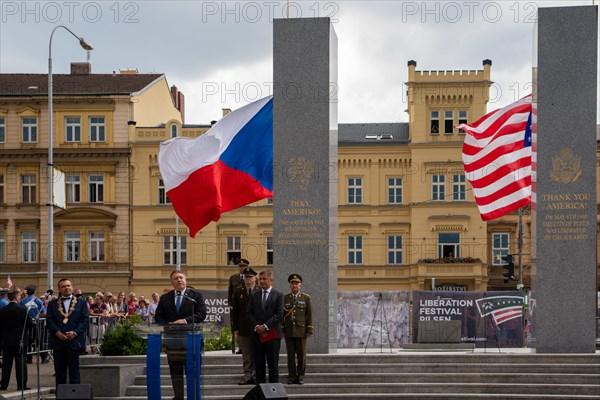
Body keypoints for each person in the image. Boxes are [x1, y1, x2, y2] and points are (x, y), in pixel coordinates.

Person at [155, 270, 207, 400]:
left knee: (193, 373)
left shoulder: (195, 296)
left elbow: (201, 314)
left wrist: (184, 321)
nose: (179, 280)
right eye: (175, 278)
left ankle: (193, 396)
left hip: (191, 340)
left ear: (185, 280)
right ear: (172, 282)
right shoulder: (165, 298)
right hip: (173, 342)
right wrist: (168, 324)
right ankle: (178, 397)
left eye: (181, 277)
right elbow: (158, 317)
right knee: (175, 372)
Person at [45, 278, 89, 390]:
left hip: (74, 342)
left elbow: (84, 320)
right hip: (58, 342)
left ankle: (75, 396)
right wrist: (57, 332)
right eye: (64, 286)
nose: (67, 288)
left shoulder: (82, 302)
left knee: (74, 372)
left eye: (68, 285)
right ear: (59, 289)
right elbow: (49, 320)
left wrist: (75, 332)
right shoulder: (52, 304)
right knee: (60, 373)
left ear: (72, 287)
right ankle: (60, 396)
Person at [247, 270, 284, 384]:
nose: (261, 281)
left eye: (264, 279)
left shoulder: (278, 295)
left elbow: (279, 314)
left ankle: (274, 392)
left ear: (271, 280)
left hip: (272, 337)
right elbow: (249, 313)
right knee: (259, 365)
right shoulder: (254, 295)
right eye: (260, 279)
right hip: (257, 336)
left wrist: (266, 326)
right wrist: (257, 326)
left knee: (273, 366)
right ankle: (261, 391)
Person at [283, 274, 314, 385]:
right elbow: (282, 315)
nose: (294, 285)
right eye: (292, 283)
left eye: (296, 283)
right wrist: (282, 329)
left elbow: (309, 314)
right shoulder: (285, 298)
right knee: (290, 356)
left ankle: (300, 376)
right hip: (289, 331)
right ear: (290, 285)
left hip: (302, 331)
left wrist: (309, 328)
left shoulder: (306, 298)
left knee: (302, 356)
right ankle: (291, 377)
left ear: (300, 285)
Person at [231, 267, 260, 385]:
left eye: (250, 277)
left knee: (257, 353)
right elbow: (235, 312)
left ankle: (257, 375)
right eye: (246, 277)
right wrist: (235, 328)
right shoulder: (238, 291)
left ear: (255, 278)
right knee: (246, 354)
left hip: (257, 328)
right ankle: (247, 375)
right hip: (243, 327)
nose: (248, 280)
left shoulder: (259, 290)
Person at [0, 290, 32, 391]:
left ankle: (4, 384)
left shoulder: (2, 310)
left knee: (6, 363)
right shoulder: (24, 309)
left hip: (6, 341)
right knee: (21, 363)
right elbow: (29, 324)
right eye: (19, 296)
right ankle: (21, 385)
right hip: (20, 340)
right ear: (16, 297)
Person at [20, 285, 45, 364]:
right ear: (34, 292)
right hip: (37, 323)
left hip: (27, 323)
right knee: (39, 340)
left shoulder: (22, 301)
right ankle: (43, 356)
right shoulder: (38, 300)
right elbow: (44, 313)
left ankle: (29, 357)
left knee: (28, 340)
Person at [228, 258, 249, 354]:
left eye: (243, 266)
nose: (242, 268)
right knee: (235, 326)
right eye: (240, 266)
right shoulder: (233, 278)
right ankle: (237, 347)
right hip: (236, 306)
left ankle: (244, 347)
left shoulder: (250, 277)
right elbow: (230, 292)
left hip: (246, 306)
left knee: (245, 327)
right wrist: (230, 304)